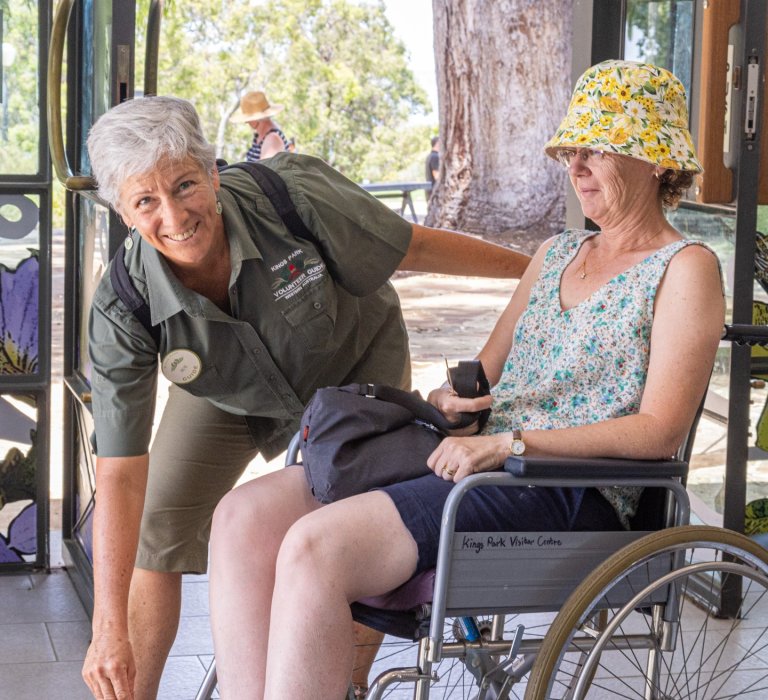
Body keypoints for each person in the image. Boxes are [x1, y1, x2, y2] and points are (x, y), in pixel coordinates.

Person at [207, 59, 725, 699]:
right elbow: (484, 379)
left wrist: (509, 446)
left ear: (655, 160)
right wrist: (454, 403)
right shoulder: (556, 253)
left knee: (316, 548)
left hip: (570, 483)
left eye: (598, 149)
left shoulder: (686, 268)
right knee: (242, 517)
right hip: (480, 459)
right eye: (572, 150)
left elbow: (658, 432)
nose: (576, 166)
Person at [80, 95, 529, 700]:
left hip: (353, 364)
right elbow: (120, 476)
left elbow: (414, 246)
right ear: (124, 215)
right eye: (145, 201)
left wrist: (538, 270)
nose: (174, 215)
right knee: (159, 523)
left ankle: (344, 684)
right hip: (228, 388)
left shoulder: (291, 194)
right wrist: (107, 629)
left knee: (350, 509)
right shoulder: (123, 305)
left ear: (213, 174)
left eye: (185, 185)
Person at [230, 90, 290, 161]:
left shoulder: (272, 139)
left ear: (258, 118)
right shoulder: (259, 137)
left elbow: (264, 171)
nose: (246, 122)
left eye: (248, 118)